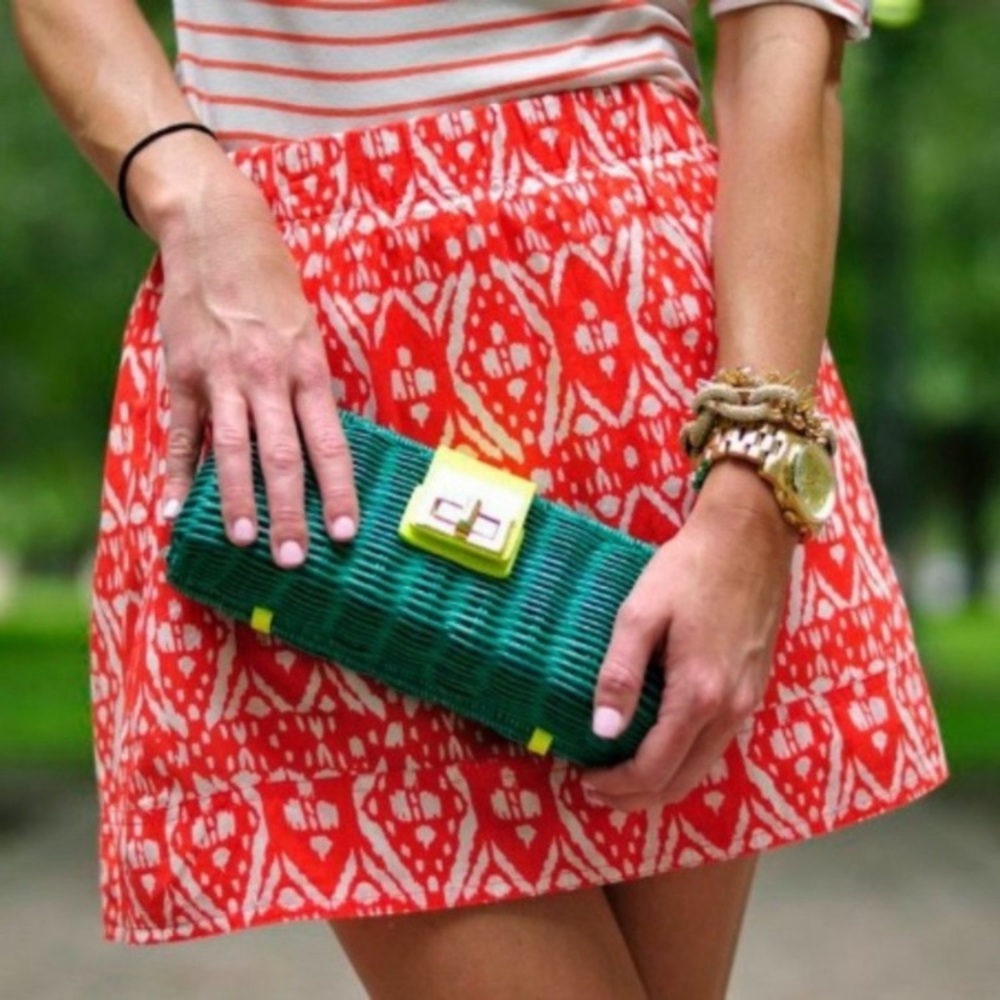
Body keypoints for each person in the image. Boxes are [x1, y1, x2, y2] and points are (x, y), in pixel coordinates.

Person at [14, 1, 946, 996]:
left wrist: (752, 494)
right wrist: (187, 188)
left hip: (650, 354)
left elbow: (785, 48)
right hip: (311, 375)